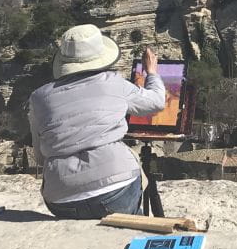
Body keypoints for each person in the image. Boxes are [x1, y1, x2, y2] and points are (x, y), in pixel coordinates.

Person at [28, 24, 165, 219]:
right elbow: (157, 101)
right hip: (115, 189)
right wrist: (151, 72)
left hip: (61, 199)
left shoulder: (38, 98)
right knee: (132, 220)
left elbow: (40, 157)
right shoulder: (114, 82)